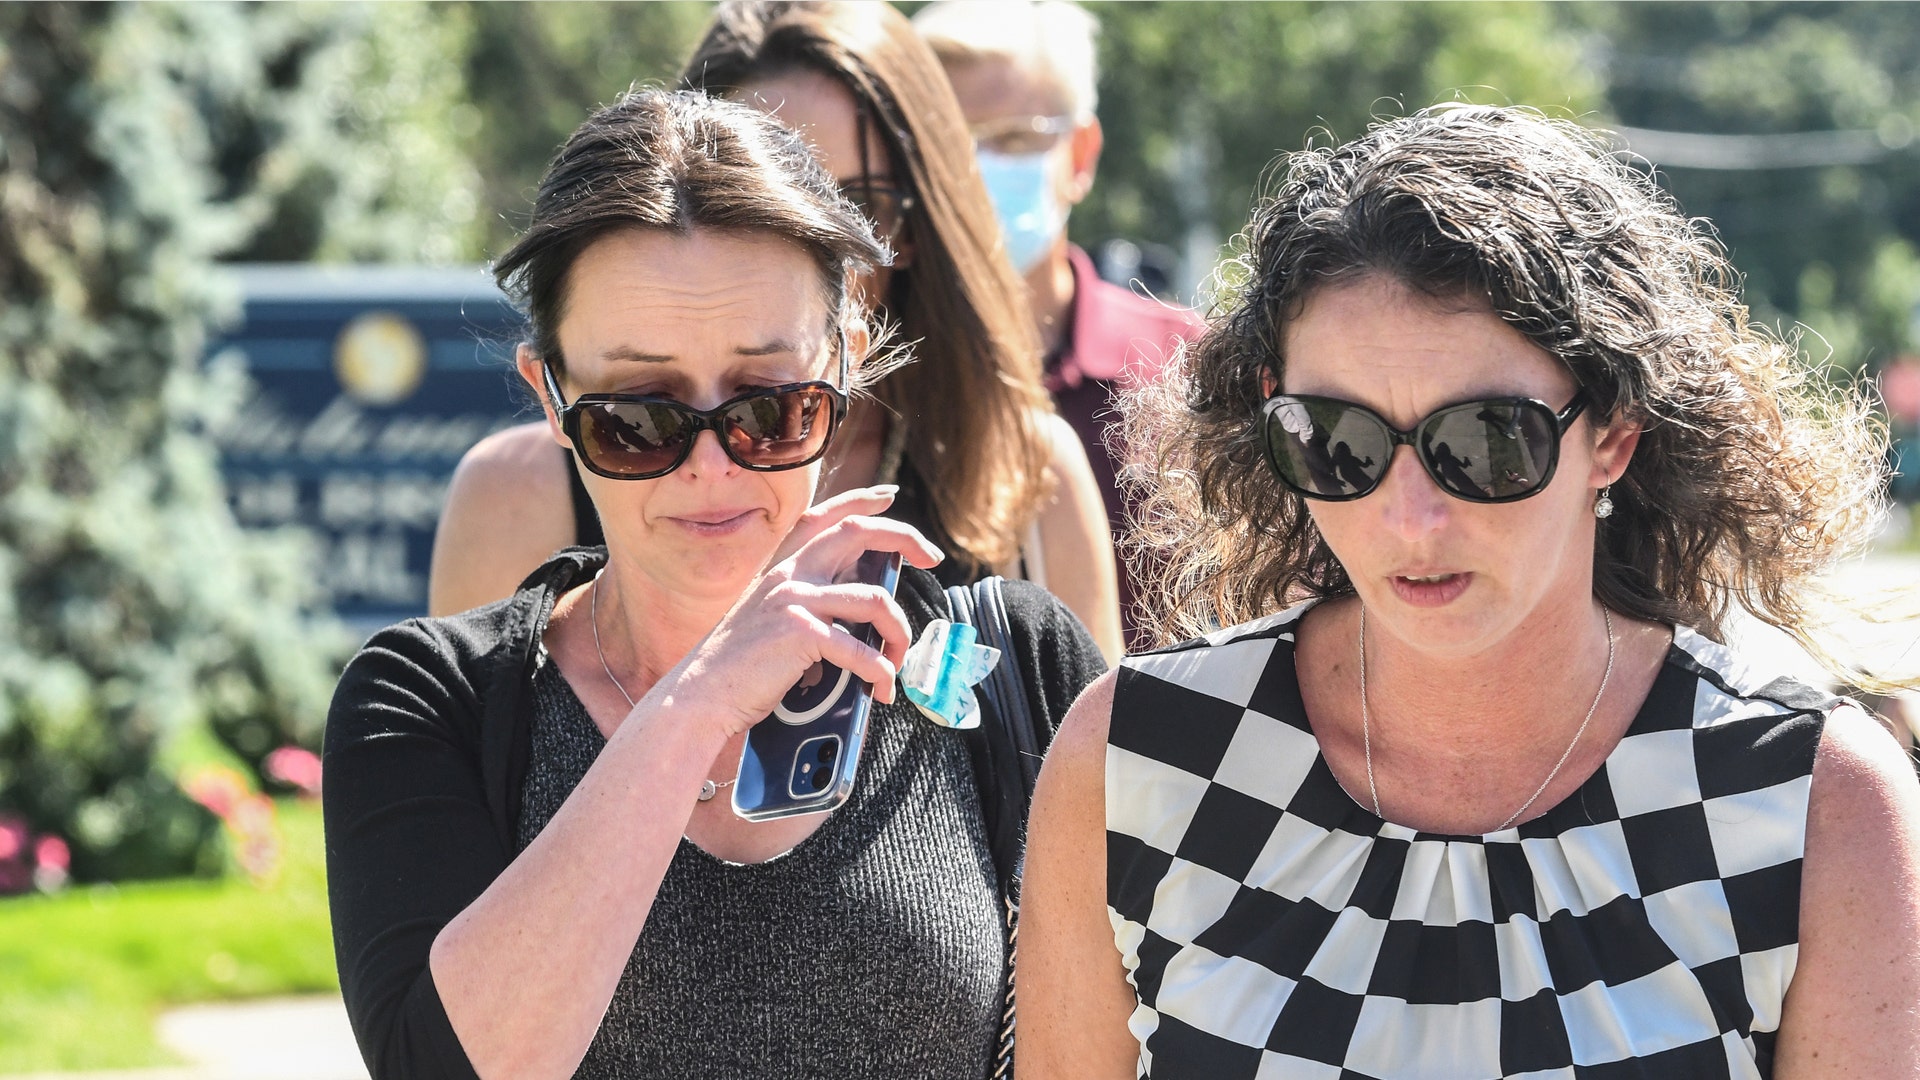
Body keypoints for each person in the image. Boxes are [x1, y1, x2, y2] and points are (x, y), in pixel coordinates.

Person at [1019, 105, 1920, 1078]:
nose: (1409, 518)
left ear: (1612, 434)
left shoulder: (1814, 801)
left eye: (1486, 442)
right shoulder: (1138, 757)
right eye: (1339, 440)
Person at [324, 86, 1106, 1079]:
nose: (711, 467)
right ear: (553, 403)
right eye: (637, 418)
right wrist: (698, 701)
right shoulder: (430, 700)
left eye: (770, 409)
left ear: (848, 369)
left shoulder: (1016, 667)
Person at [430, 1, 1123, 664]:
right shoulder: (518, 493)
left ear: (918, 225)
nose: (817, 242)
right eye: (762, 196)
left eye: (858, 203)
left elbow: (1090, 779)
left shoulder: (1026, 475)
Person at [913, 0, 1205, 649]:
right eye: (946, 142)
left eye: (1014, 138)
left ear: (1079, 154)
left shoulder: (1185, 363)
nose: (974, 169)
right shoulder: (881, 380)